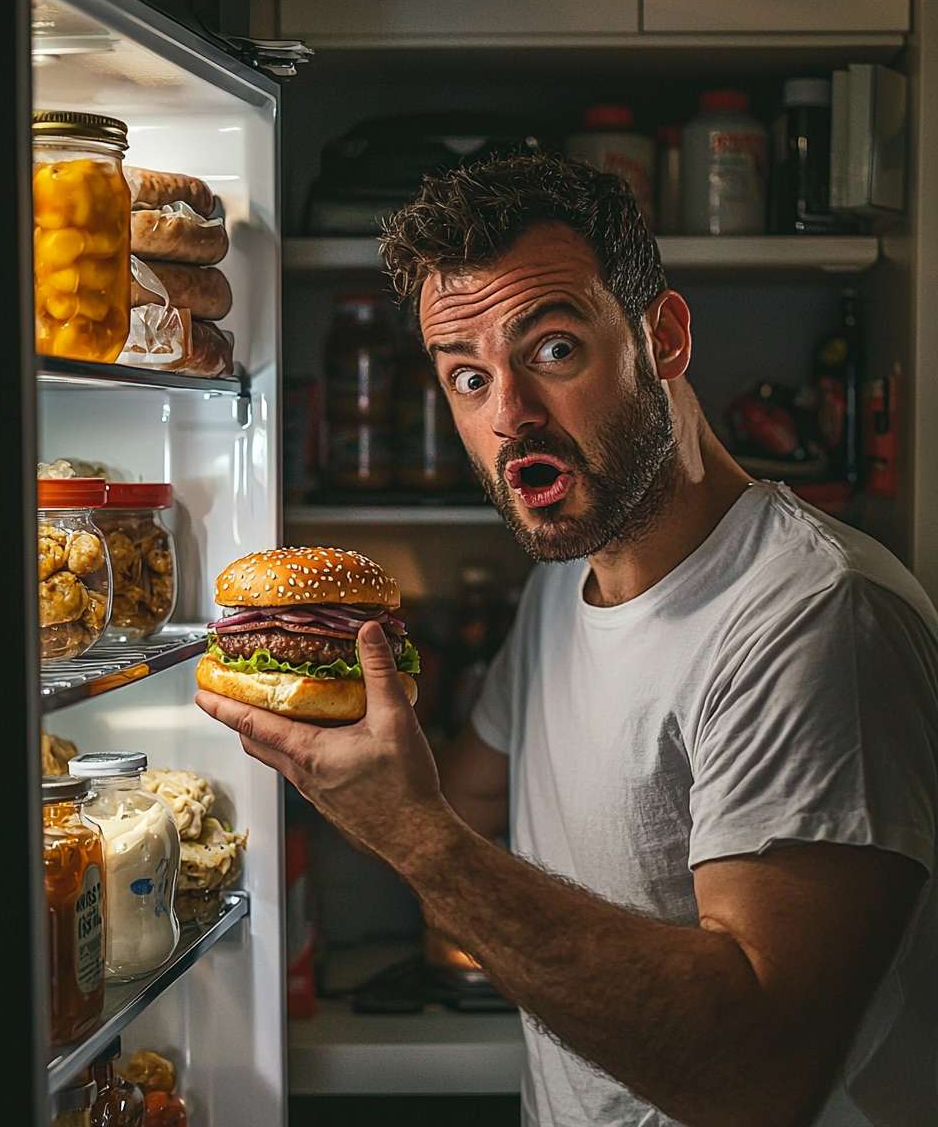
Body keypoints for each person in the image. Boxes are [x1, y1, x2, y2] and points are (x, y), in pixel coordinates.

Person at [196, 156, 938, 1127]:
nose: (509, 416)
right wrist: (319, 741)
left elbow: (759, 1077)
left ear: (661, 338)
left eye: (551, 351)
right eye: (467, 376)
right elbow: (457, 797)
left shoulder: (814, 619)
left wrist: (415, 840)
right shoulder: (564, 585)